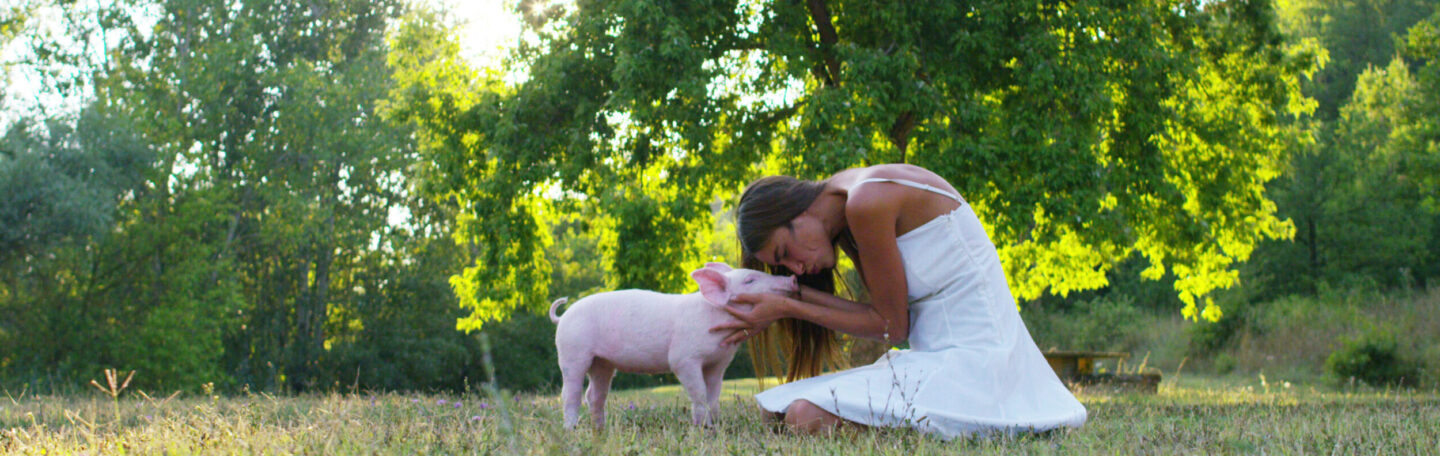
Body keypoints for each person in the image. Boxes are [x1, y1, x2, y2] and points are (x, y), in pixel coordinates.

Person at [711, 163, 1087, 439]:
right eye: (784, 267)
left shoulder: (866, 201)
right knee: (774, 408)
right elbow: (882, 316)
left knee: (804, 417)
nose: (798, 268)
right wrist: (781, 294)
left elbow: (891, 328)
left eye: (785, 252)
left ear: (798, 212)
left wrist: (787, 305)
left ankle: (934, 432)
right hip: (937, 357)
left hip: (982, 363)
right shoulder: (846, 204)